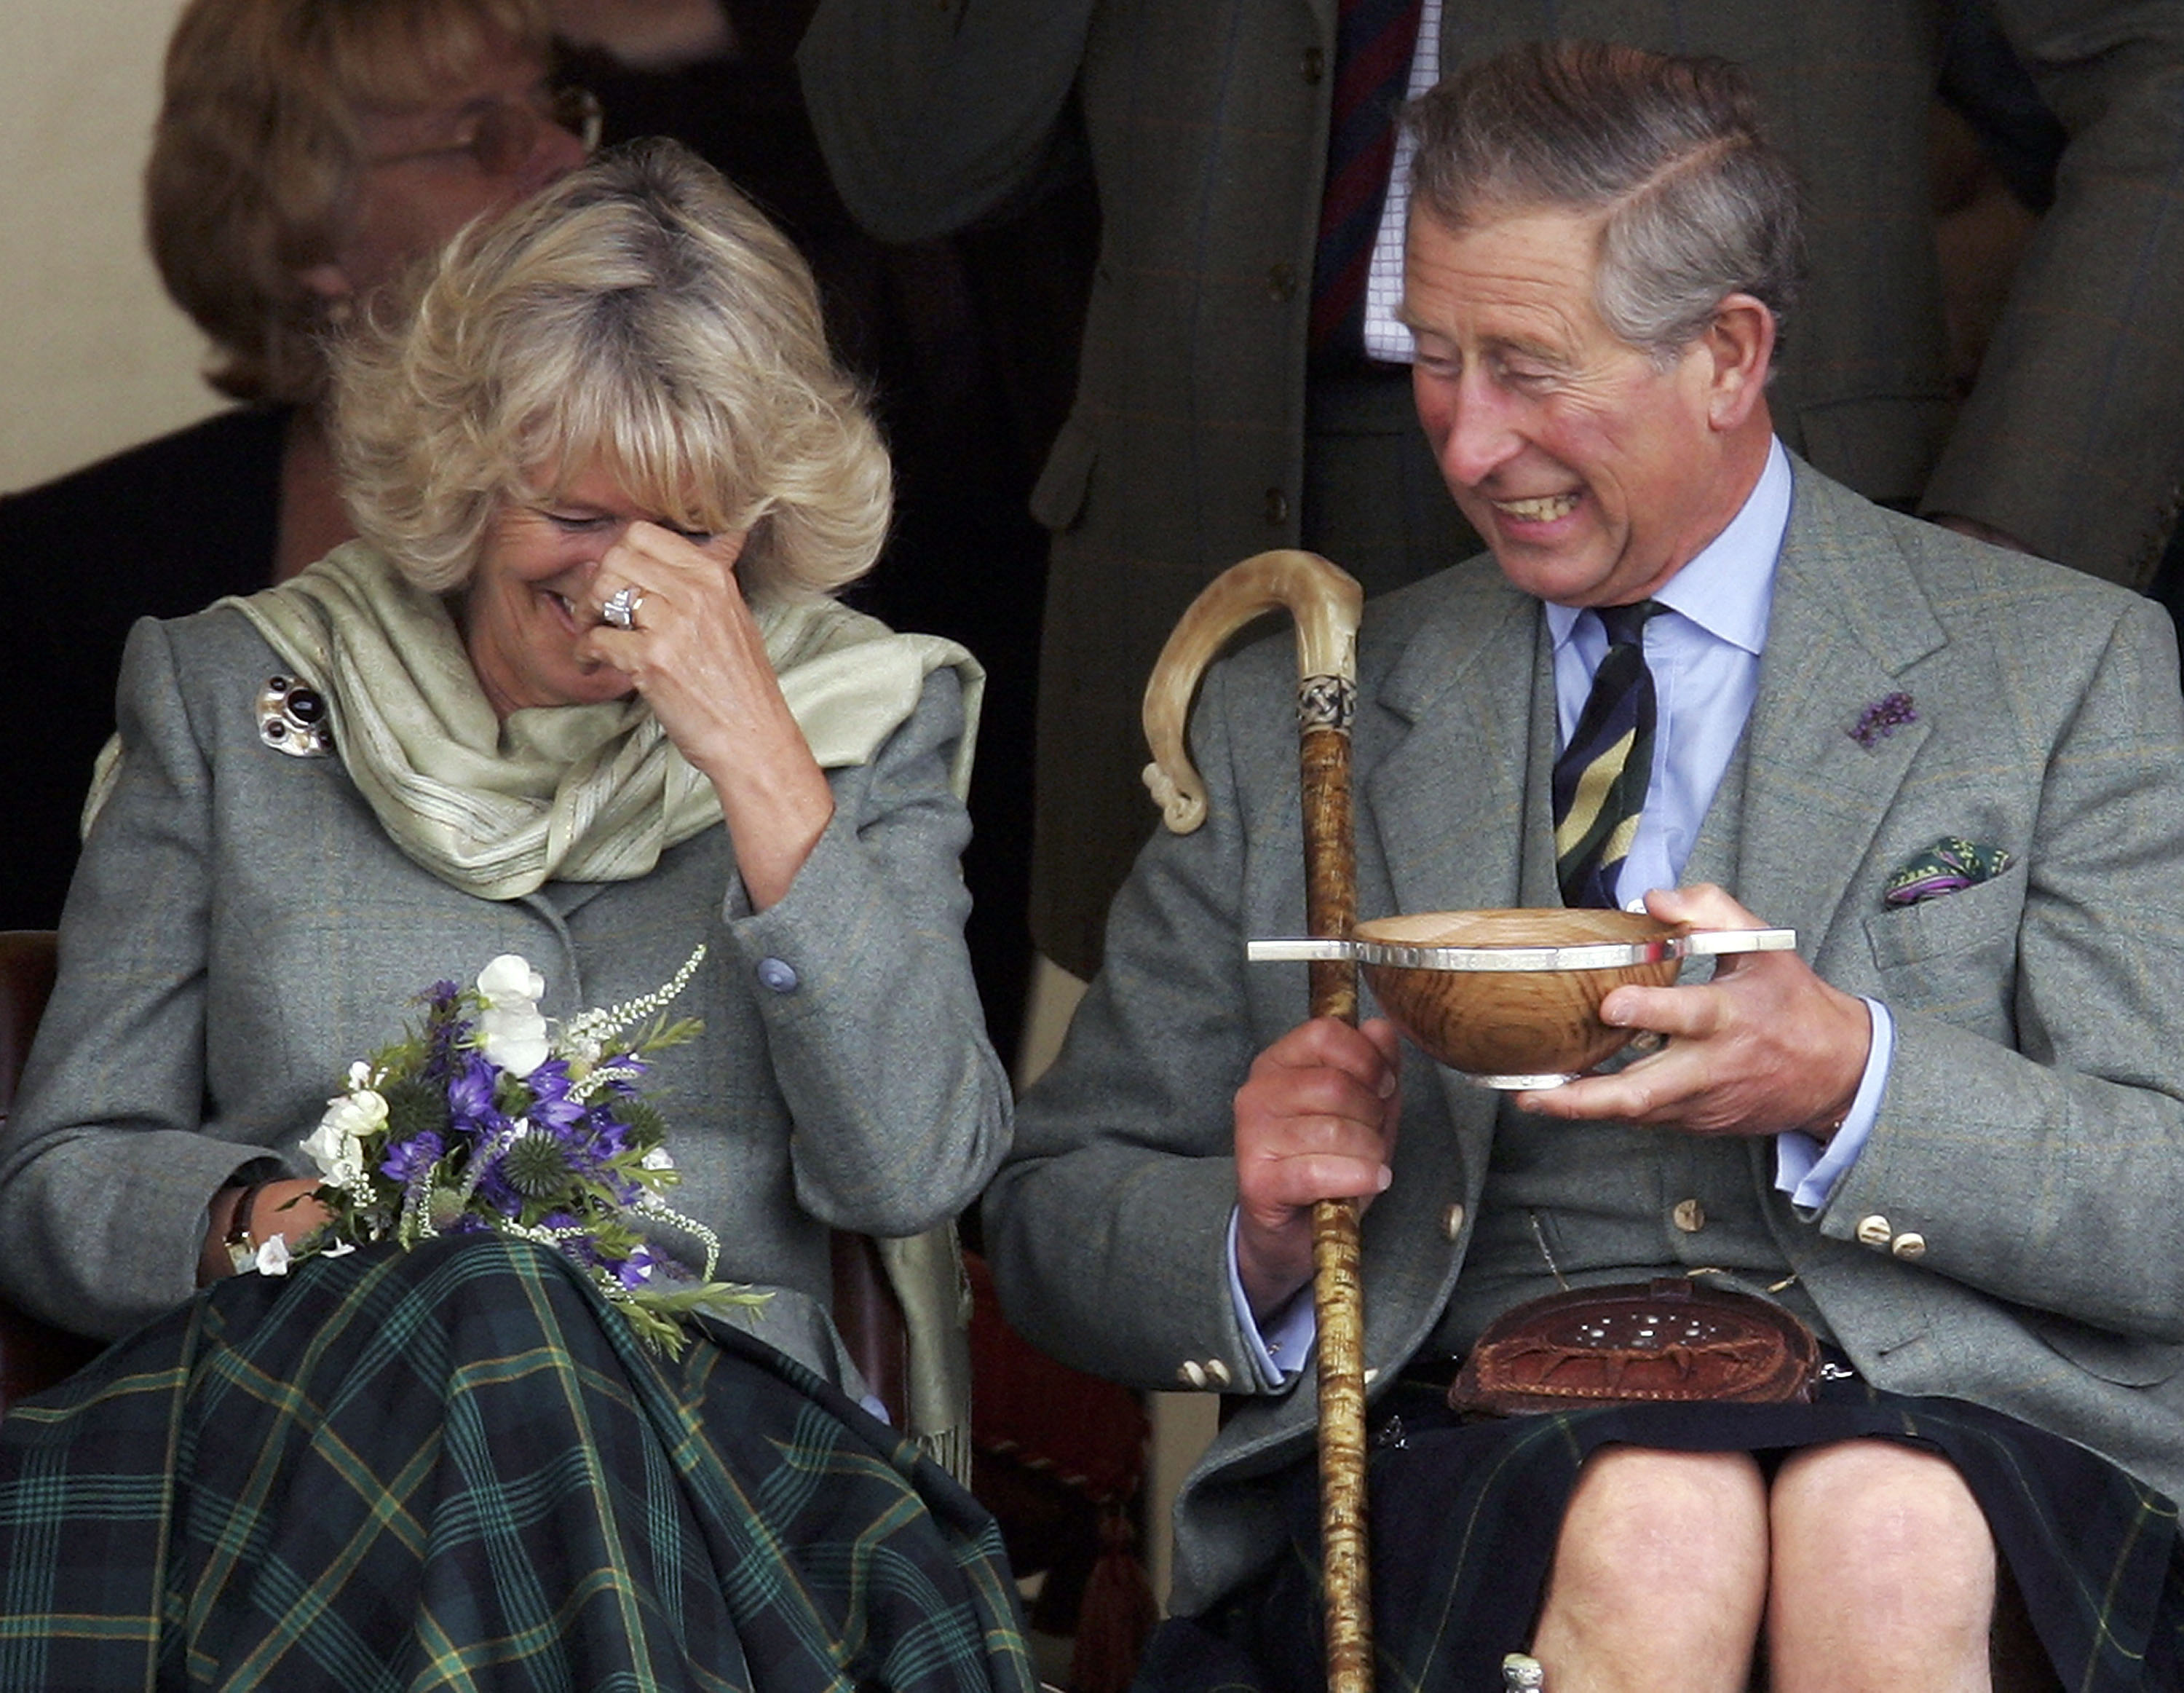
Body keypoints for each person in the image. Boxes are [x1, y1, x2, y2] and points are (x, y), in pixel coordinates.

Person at [984, 42, 2184, 1693]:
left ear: (1726, 354)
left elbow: (2164, 1202)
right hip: (1478, 1417)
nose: (1467, 445)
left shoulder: (2061, 671)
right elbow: (1054, 1220)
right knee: (1658, 1518)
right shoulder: (1308, 717)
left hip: (1958, 1419)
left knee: (1883, 1526)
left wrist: (1851, 1078)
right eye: (1434, 358)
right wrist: (1252, 1226)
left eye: (1530, 370)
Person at [0, 139, 1032, 1690]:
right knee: (490, 1313)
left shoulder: (850, 724)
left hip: (726, 1489)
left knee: (527, 1337)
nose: (626, 584)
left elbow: (918, 1166)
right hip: (308, 1458)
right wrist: (268, 1223)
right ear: (465, 471)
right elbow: (62, 1177)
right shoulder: (232, 697)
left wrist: (760, 757)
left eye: (693, 529)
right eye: (573, 511)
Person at [796, 0, 2184, 983]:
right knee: (1288, 1238)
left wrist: (2001, 552)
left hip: (1727, 540)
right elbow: (909, 160)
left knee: (1778, 1233)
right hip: (1217, 547)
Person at [0, 0, 594, 931]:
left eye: (556, 110)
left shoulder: (727, 514)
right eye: (484, 135)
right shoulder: (53, 578)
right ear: (308, 228)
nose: (564, 153)